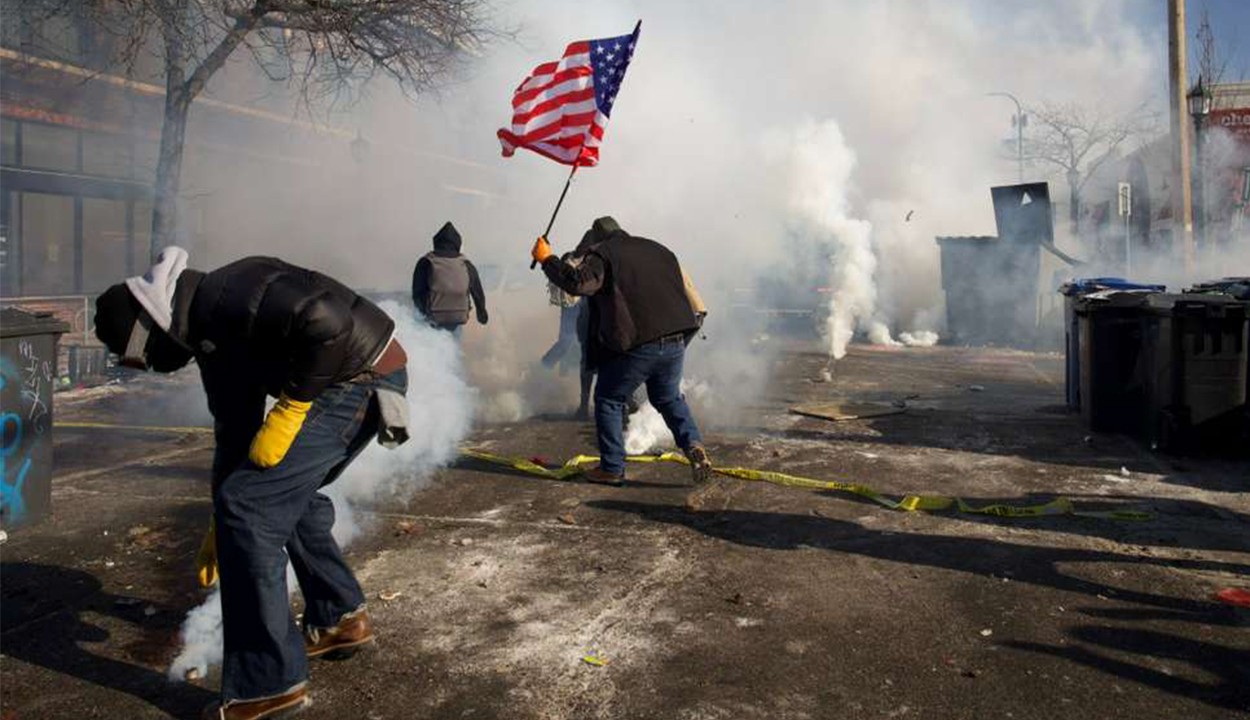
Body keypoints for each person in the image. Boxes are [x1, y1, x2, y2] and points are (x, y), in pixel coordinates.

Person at [94, 247, 409, 720]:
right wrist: (219, 519)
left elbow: (327, 322)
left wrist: (293, 408)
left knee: (254, 508)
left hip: (358, 379)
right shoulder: (209, 336)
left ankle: (267, 686)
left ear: (150, 326)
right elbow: (234, 432)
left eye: (143, 356)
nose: (154, 367)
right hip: (356, 380)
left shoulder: (229, 291)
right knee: (265, 499)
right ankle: (339, 618)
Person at [531, 216, 712, 486]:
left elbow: (578, 283)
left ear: (597, 240)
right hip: (676, 338)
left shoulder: (604, 254)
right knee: (669, 398)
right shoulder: (658, 249)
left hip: (642, 342)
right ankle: (694, 445)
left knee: (608, 398)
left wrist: (547, 259)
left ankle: (612, 468)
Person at [411, 221, 488, 336]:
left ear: (436, 242)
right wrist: (482, 314)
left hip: (433, 319)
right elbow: (477, 292)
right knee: (452, 347)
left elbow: (417, 292)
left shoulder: (426, 262)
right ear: (458, 244)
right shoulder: (466, 264)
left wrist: (422, 314)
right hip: (459, 317)